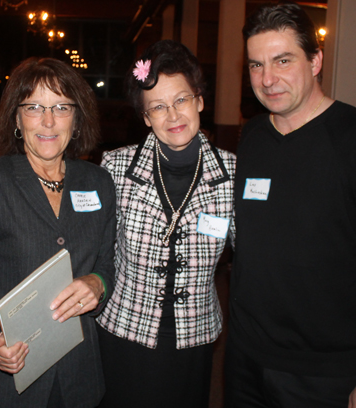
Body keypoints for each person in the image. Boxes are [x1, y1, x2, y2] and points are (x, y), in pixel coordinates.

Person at [226, 2, 356, 408]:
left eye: (283, 60)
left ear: (315, 60)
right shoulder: (252, 140)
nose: (267, 79)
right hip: (245, 360)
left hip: (326, 374)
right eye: (255, 65)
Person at [0, 57, 116, 407]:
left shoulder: (98, 182)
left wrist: (98, 283)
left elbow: (108, 264)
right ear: (17, 118)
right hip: (4, 383)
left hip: (78, 377)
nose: (48, 121)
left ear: (76, 118)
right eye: (34, 107)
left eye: (61, 107)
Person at [97, 39, 235, 408]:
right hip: (124, 336)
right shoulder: (115, 169)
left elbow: (260, 257)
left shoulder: (234, 175)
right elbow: (93, 251)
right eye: (158, 106)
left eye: (182, 100)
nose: (173, 116)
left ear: (200, 100)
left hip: (193, 341)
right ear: (145, 117)